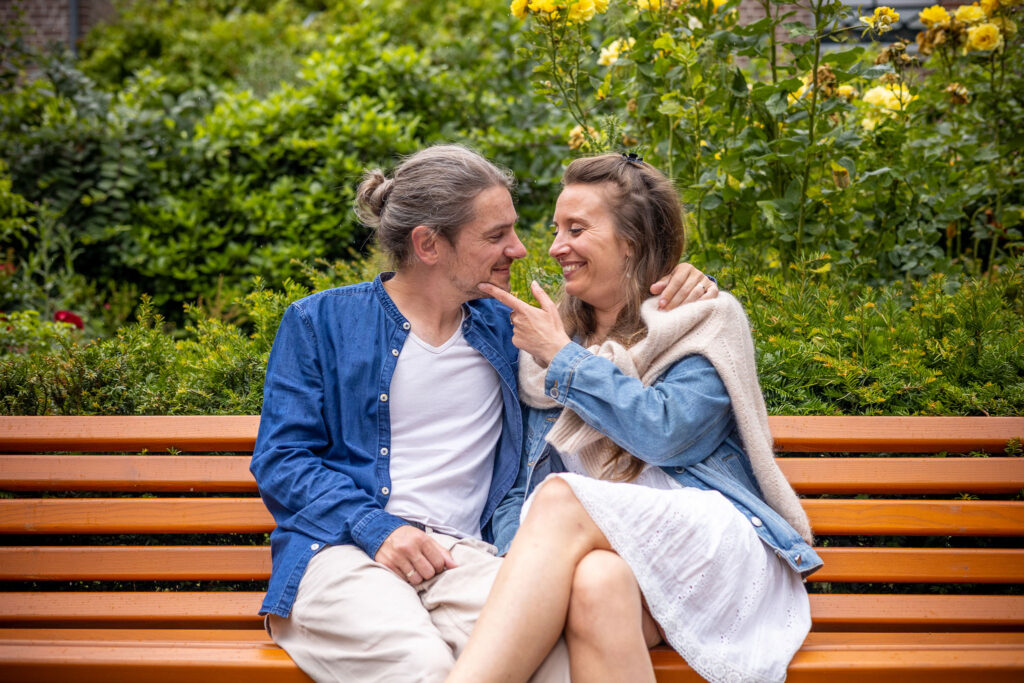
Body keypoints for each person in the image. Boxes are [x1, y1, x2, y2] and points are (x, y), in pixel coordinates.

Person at [249, 144, 717, 683]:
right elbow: (282, 459)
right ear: (428, 244)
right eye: (496, 236)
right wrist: (378, 528)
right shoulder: (321, 322)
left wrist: (679, 280)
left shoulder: (510, 330)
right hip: (344, 551)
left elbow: (616, 313)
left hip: (467, 560)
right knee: (421, 668)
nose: (519, 249)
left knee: (562, 665)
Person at [446, 153, 823, 683]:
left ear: (632, 240)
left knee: (559, 496)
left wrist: (564, 360)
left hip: (707, 544)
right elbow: (516, 484)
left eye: (576, 229)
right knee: (596, 582)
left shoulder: (703, 318)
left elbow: (666, 434)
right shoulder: (549, 339)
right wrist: (521, 568)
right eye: (556, 229)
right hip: (614, 553)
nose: (555, 247)